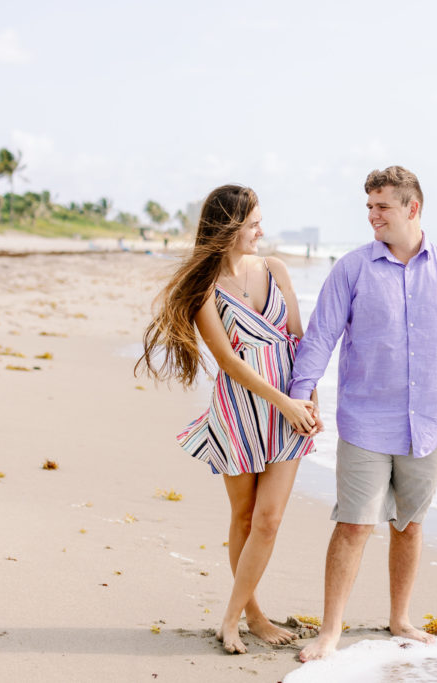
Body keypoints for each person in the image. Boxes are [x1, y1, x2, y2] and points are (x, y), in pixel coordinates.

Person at [289, 166, 437, 661]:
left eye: (382, 207)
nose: (372, 216)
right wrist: (302, 391)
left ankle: (400, 618)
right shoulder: (352, 268)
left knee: (409, 525)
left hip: (435, 423)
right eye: (369, 207)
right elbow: (322, 335)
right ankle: (330, 631)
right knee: (354, 525)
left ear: (411, 208)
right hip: (366, 421)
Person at [135, 184, 321, 654]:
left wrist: (309, 400)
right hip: (240, 411)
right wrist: (285, 402)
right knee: (243, 516)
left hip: (289, 412)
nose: (262, 229)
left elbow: (299, 340)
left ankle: (231, 617)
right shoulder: (204, 289)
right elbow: (230, 362)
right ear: (229, 227)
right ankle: (251, 615)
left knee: (269, 519)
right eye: (254, 222)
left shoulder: (275, 269)